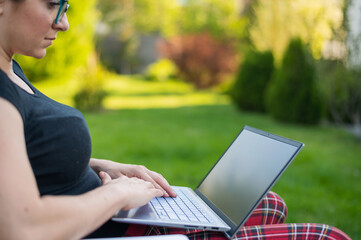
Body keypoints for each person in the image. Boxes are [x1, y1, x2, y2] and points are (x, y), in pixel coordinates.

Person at [0, 0, 351, 239]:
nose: (64, 22)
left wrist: (104, 166)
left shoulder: (11, 68)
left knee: (271, 202)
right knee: (328, 237)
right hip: (108, 227)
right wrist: (119, 194)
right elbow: (23, 228)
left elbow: (27, 158)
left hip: (113, 213)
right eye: (51, 4)